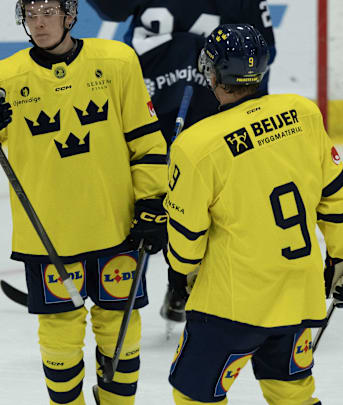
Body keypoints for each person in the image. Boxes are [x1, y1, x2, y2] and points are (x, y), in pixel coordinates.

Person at [0, 1, 167, 404]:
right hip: (48, 237)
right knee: (60, 341)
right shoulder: (4, 78)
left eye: (48, 11)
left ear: (70, 15)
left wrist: (152, 200)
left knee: (121, 333)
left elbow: (147, 140)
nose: (39, 21)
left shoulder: (117, 61)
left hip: (116, 227)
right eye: (31, 14)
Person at [164, 24, 343, 404]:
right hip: (298, 292)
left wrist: (182, 271)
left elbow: (186, 238)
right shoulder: (302, 113)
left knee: (193, 395)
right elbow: (336, 196)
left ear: (211, 72)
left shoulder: (196, 146)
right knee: (291, 393)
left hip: (229, 303)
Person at [86, 0, 278, 324]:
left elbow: (262, 51)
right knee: (140, 199)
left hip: (208, 108)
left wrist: (249, 116)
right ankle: (121, 281)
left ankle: (186, 283)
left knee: (207, 203)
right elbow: (113, 10)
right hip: (143, 105)